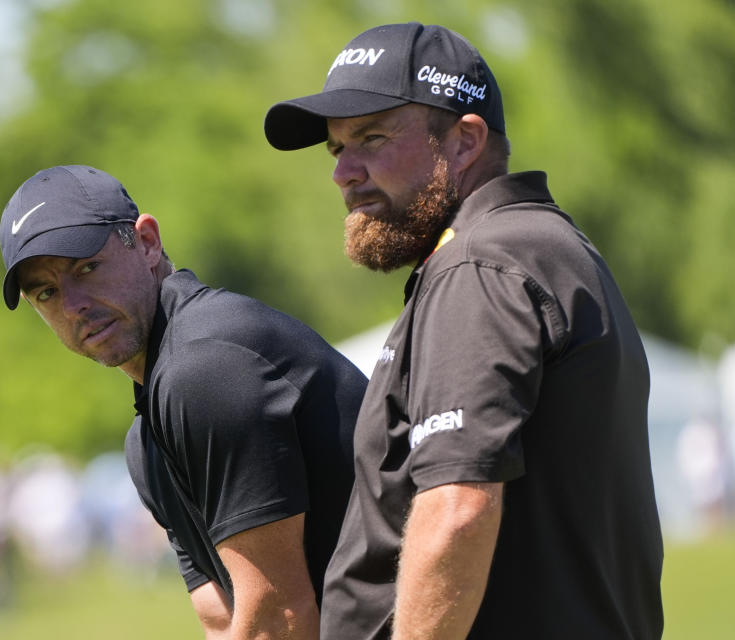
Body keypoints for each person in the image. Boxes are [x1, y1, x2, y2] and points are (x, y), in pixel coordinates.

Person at [264, 22, 664, 639]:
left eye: (371, 138)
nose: (345, 172)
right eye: (337, 148)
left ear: (463, 141)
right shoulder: (541, 245)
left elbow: (458, 510)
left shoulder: (477, 265)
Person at [0, 165, 367, 638]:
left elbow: (279, 615)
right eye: (47, 292)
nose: (73, 305)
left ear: (147, 243)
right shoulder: (146, 440)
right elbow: (222, 618)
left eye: (86, 267)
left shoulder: (205, 365)